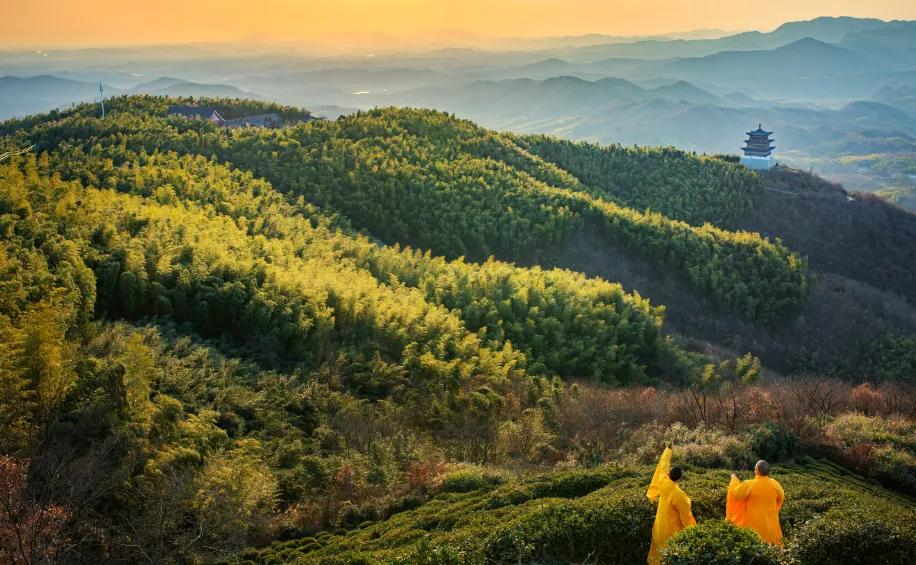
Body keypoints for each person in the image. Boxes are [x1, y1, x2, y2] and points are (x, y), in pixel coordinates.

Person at [647, 447, 696, 565]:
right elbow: (686, 513)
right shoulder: (678, 494)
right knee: (668, 554)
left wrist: (668, 450)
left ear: (669, 474)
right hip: (671, 529)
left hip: (659, 523)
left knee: (658, 551)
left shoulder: (663, 480)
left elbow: (663, 464)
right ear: (679, 478)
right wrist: (695, 530)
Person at [727, 460, 784, 546]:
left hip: (754, 525)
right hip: (771, 523)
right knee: (773, 547)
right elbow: (781, 498)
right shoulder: (775, 484)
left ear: (756, 470)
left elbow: (736, 494)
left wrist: (734, 479)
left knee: (755, 546)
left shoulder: (749, 484)